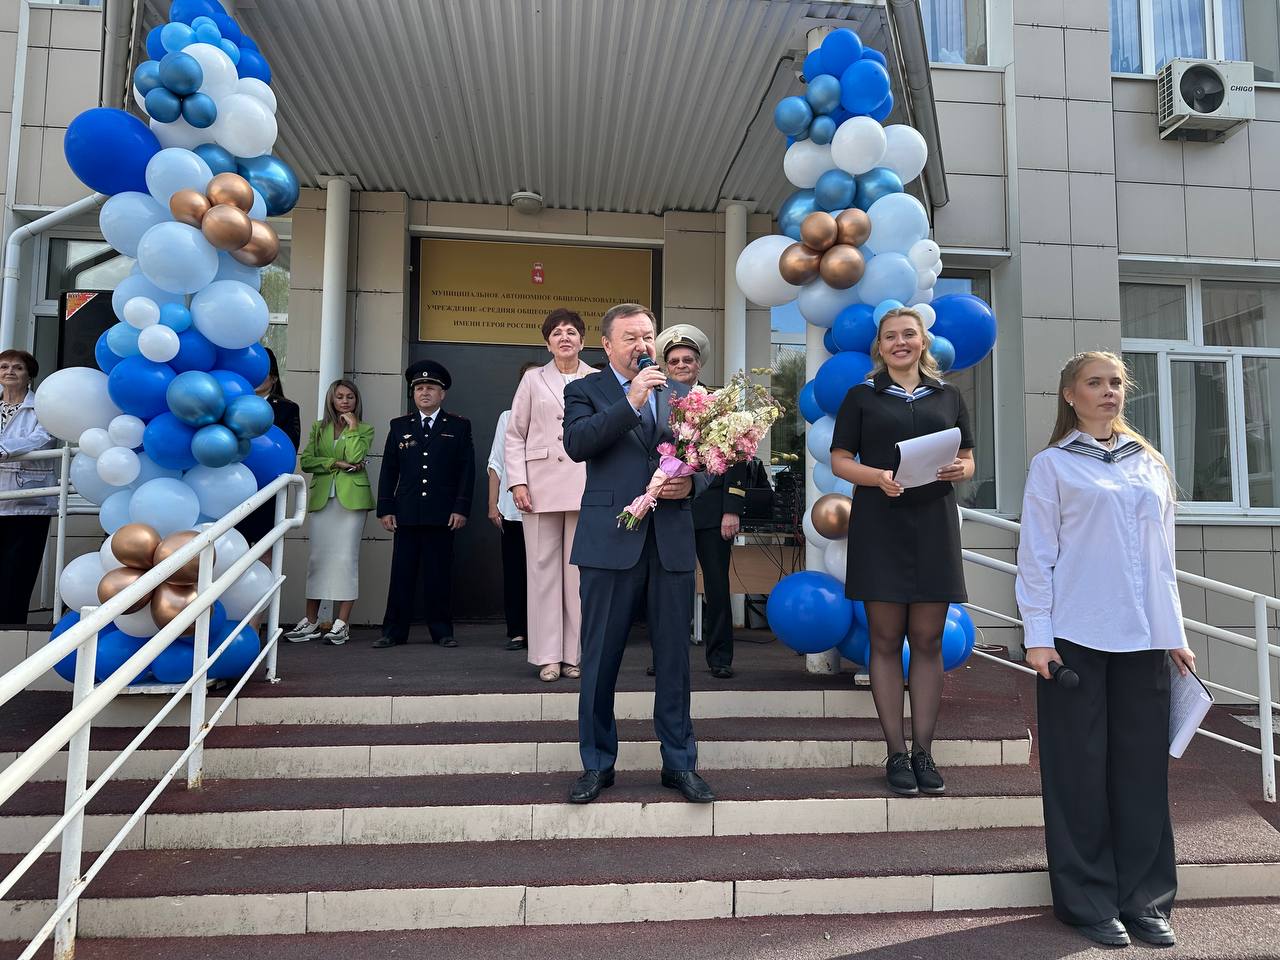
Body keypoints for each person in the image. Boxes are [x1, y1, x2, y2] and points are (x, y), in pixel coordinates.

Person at [1016, 351, 1195, 950]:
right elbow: (1035, 555)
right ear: (1071, 395)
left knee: (1142, 774)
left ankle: (1145, 901)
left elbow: (1163, 559)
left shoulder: (1149, 463)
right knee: (1078, 772)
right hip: (1074, 638)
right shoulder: (1052, 465)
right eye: (1095, 382)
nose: (1109, 391)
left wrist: (1175, 635)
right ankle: (1087, 901)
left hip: (1144, 638)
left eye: (1116, 382)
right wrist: (1038, 637)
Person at [562, 302, 714, 805]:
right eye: (630, 337)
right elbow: (578, 443)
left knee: (674, 660)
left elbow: (709, 458)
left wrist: (691, 485)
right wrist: (631, 400)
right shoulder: (584, 390)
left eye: (648, 336)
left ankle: (679, 763)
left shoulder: (683, 394)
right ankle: (597, 764)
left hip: (669, 541)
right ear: (607, 345)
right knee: (600, 659)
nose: (642, 345)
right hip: (609, 542)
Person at [829, 307, 975, 797]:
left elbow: (968, 458)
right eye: (890, 336)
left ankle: (924, 753)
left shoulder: (949, 395)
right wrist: (877, 477)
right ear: (880, 346)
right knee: (886, 640)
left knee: (928, 641)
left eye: (908, 334)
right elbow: (840, 460)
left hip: (934, 524)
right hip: (880, 523)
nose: (900, 342)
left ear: (922, 341)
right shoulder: (861, 396)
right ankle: (895, 752)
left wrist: (960, 470)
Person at [505, 308, 595, 682]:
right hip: (539, 485)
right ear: (547, 343)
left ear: (583, 340)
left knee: (577, 575)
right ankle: (547, 656)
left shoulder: (597, 378)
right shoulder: (532, 379)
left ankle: (573, 655)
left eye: (571, 331)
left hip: (584, 483)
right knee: (542, 572)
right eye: (556, 332)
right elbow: (515, 435)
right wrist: (518, 482)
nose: (564, 337)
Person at [656, 323, 750, 680]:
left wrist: (732, 509)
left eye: (688, 359)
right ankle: (665, 657)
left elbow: (737, 456)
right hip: (669, 507)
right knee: (667, 588)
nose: (682, 365)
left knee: (717, 586)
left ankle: (720, 657)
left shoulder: (719, 401)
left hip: (711, 511)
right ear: (666, 367)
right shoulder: (656, 400)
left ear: (699, 364)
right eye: (675, 361)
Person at [374, 359, 474, 649]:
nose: (425, 392)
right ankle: (393, 632)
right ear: (413, 393)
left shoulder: (458, 426)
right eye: (419, 388)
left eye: (430, 388)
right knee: (401, 575)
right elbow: (389, 469)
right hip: (406, 512)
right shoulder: (399, 426)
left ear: (442, 394)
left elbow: (466, 471)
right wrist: (386, 508)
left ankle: (442, 632)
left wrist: (461, 507)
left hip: (442, 514)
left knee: (438, 575)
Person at [288, 379, 375, 646]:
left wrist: (352, 428)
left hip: (352, 502)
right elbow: (307, 461)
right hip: (323, 500)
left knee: (346, 559)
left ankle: (342, 623)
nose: (345, 401)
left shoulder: (364, 428)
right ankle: (311, 621)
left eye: (350, 397)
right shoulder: (319, 427)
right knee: (318, 559)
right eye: (340, 397)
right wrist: (335, 462)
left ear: (356, 400)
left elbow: (357, 457)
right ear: (332, 400)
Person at [0, 350, 55, 625]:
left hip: (29, 504)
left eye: (17, 367)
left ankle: (10, 625)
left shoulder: (42, 408)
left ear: (29, 375)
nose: (9, 371)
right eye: (4, 367)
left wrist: (4, 449)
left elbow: (42, 438)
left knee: (17, 572)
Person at [488, 361, 540, 653]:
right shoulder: (507, 417)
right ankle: (518, 631)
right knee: (515, 570)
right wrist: (492, 504)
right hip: (512, 508)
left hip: (547, 507)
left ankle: (543, 632)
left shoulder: (557, 414)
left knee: (544, 573)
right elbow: (496, 463)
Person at [237, 347, 301, 545]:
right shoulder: (233, 405)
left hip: (268, 486)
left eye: (262, 373)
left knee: (264, 543)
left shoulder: (287, 408)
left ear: (274, 378)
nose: (256, 377)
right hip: (235, 480)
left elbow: (290, 446)